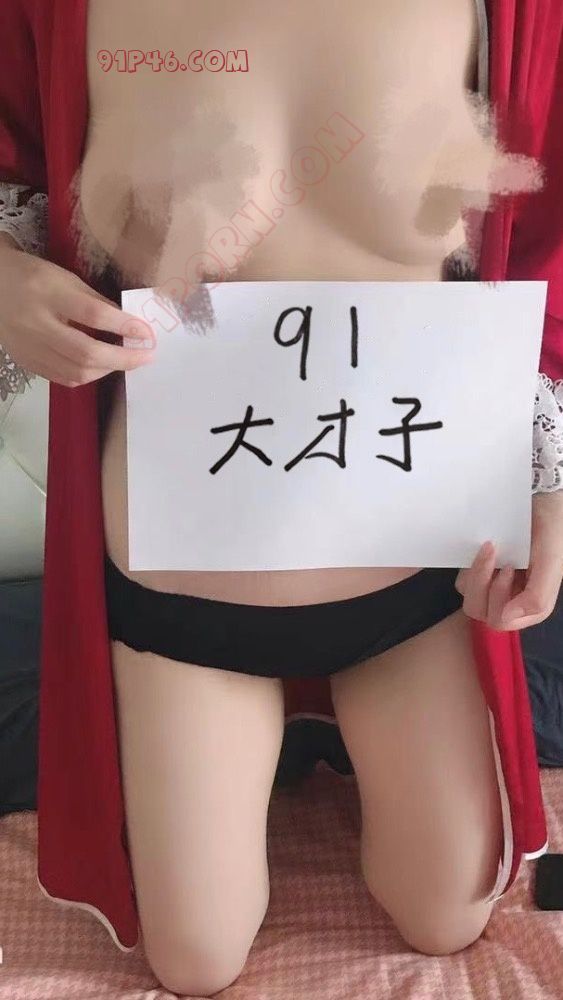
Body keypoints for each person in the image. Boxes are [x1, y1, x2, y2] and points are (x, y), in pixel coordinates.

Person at [1, 1, 562, 994]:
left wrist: (550, 478)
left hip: (417, 578)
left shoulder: (517, 12)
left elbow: (543, 244)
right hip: (178, 584)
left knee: (447, 915)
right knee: (195, 958)